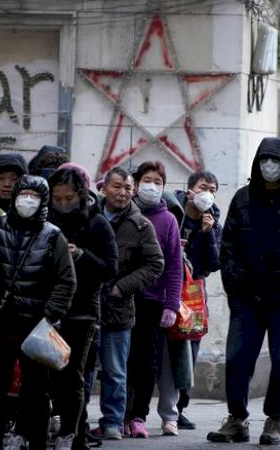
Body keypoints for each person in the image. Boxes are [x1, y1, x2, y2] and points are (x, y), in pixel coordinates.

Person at [208, 136, 280, 446]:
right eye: (263, 160)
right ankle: (237, 419)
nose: (268, 166)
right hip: (246, 297)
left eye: (274, 161)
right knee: (237, 358)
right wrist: (233, 285)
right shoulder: (243, 199)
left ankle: (274, 420)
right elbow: (228, 245)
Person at [0, 175, 77, 450]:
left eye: (35, 195)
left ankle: (35, 441)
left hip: (35, 327)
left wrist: (51, 313)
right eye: (24, 193)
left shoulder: (53, 236)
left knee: (36, 391)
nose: (28, 200)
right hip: (0, 324)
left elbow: (66, 280)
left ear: (44, 201)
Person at [47, 168, 118, 450]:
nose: (63, 203)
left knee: (74, 376)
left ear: (80, 194)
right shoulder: (47, 220)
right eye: (57, 198)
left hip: (83, 312)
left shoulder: (98, 224)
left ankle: (72, 433)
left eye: (69, 198)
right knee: (48, 376)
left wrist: (81, 256)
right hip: (50, 310)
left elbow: (110, 268)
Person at [91, 167, 164, 440]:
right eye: (117, 187)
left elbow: (156, 264)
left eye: (127, 188)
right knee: (84, 371)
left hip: (118, 308)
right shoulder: (90, 217)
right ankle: (77, 421)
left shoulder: (141, 225)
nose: (122, 193)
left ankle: (112, 422)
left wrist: (124, 286)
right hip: (87, 306)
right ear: (104, 188)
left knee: (115, 370)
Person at [125, 161, 184, 438]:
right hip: (124, 298)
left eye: (158, 182)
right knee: (122, 359)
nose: (152, 186)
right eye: (147, 180)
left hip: (153, 301)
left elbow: (174, 265)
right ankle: (119, 415)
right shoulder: (125, 212)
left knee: (147, 361)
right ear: (136, 184)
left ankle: (138, 415)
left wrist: (171, 304)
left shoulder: (168, 219)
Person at [172, 170, 222, 429]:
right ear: (189, 189)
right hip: (168, 286)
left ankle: (180, 408)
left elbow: (215, 263)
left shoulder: (213, 220)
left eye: (213, 190)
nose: (208, 194)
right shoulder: (172, 211)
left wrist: (208, 233)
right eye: (203, 187)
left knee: (190, 347)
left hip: (193, 291)